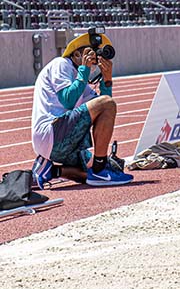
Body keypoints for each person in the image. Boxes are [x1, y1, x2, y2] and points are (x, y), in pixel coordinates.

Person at [30, 31, 134, 188]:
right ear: (77, 54)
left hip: (60, 141)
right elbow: (68, 100)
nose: (94, 58)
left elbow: (101, 108)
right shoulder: (61, 64)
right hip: (50, 132)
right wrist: (84, 71)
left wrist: (107, 80)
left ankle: (52, 170)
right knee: (107, 104)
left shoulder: (80, 79)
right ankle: (101, 168)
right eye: (89, 53)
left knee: (88, 173)